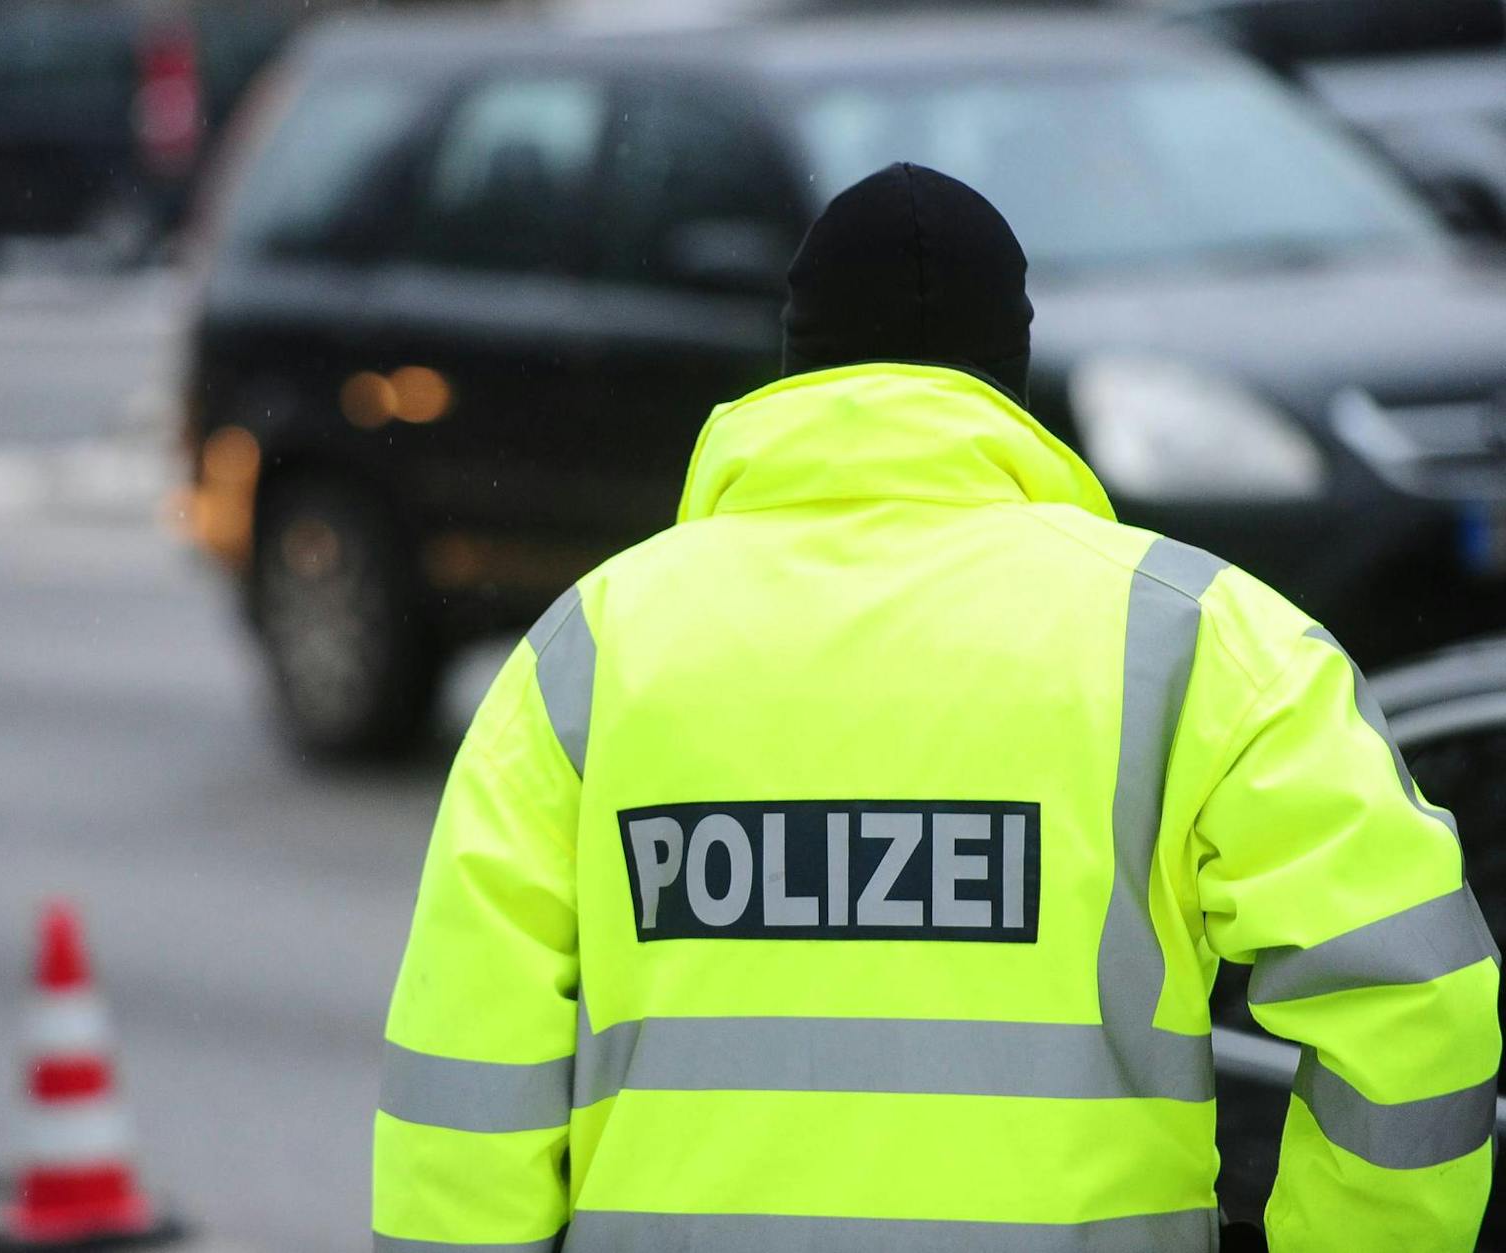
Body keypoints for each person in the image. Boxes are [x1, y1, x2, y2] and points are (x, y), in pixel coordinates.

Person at [370, 163, 1500, 1251]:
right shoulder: (1203, 639)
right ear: (1006, 377)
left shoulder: (593, 647)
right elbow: (1413, 1001)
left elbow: (464, 1081)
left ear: (793, 367)